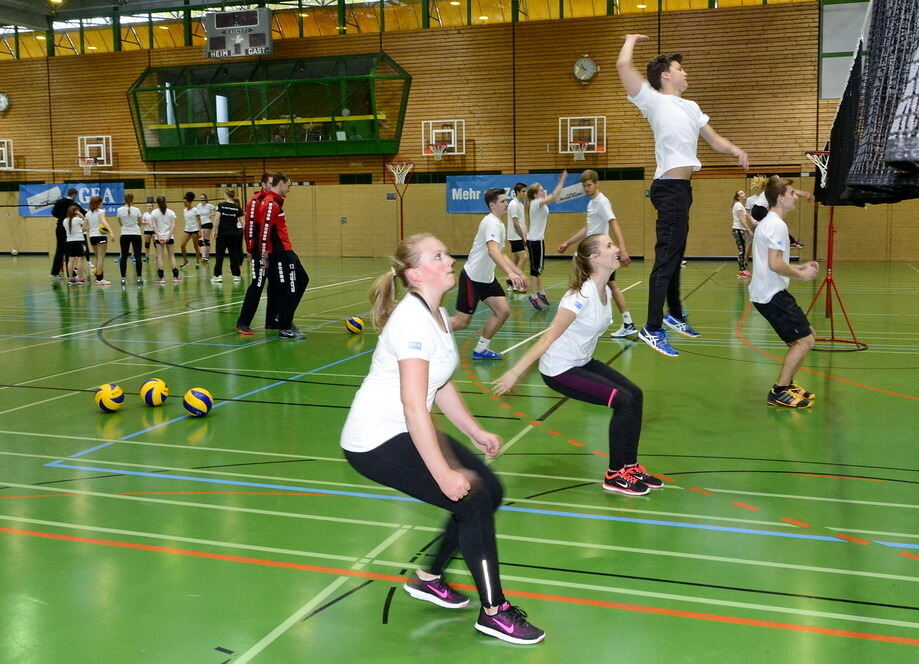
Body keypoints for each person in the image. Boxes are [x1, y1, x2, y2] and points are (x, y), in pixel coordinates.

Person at [340, 233, 545, 645]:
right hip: (375, 441)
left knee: (492, 488)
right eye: (439, 256)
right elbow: (416, 406)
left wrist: (475, 431)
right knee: (471, 500)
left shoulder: (433, 312)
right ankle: (495, 612)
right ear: (417, 273)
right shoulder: (412, 322)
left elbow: (442, 383)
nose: (449, 259)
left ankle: (429, 576)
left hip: (405, 429)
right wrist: (444, 474)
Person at [493, 234, 662, 495]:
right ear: (594, 258)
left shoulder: (604, 289)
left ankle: (630, 466)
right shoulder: (579, 297)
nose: (616, 248)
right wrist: (515, 371)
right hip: (559, 369)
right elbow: (548, 336)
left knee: (635, 395)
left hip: (581, 361)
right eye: (609, 246)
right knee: (623, 400)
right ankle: (615, 474)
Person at [617, 34, 749, 357]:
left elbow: (714, 141)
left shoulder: (691, 107)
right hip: (668, 189)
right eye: (680, 68)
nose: (685, 73)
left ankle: (674, 313)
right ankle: (652, 327)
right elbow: (622, 65)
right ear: (665, 75)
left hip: (683, 190)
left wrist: (735, 150)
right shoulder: (652, 99)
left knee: (676, 255)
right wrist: (631, 40)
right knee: (665, 259)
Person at [749, 176, 819, 408]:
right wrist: (802, 275)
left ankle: (787, 384)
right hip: (771, 295)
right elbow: (774, 264)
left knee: (805, 337)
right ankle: (779, 391)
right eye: (791, 194)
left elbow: (774, 263)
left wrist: (798, 267)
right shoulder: (777, 225)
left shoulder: (770, 222)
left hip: (770, 291)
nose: (795, 197)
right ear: (780, 198)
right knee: (804, 340)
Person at [558, 170, 638, 337]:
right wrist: (568, 242)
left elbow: (614, 223)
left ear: (596, 183)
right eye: (584, 186)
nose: (587, 189)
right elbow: (588, 228)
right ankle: (622, 321)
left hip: (600, 255)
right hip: (593, 253)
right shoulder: (592, 203)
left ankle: (618, 321)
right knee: (603, 285)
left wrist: (622, 250)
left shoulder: (602, 202)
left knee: (600, 284)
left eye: (589, 185)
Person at [450, 188, 527, 359]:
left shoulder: (498, 223)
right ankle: (425, 328)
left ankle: (480, 350)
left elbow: (501, 253)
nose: (506, 203)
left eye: (506, 200)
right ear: (492, 205)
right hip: (473, 278)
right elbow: (492, 250)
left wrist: (518, 272)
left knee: (503, 311)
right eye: (502, 201)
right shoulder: (491, 222)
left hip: (487, 279)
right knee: (461, 322)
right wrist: (509, 274)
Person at [259, 173, 309, 339]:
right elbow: (264, 230)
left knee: (302, 279)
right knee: (290, 287)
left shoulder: (275, 203)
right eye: (288, 185)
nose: (289, 189)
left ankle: (280, 318)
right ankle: (285, 326)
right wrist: (264, 254)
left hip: (287, 250)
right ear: (280, 183)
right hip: (280, 253)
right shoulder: (270, 203)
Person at [236, 173, 278, 335]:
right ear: (262, 184)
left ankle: (271, 320)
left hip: (272, 251)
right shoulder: (255, 201)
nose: (271, 185)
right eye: (269, 183)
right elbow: (250, 227)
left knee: (275, 285)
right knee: (257, 284)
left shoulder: (273, 201)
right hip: (258, 251)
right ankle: (243, 322)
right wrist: (252, 250)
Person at [524, 171, 567, 311]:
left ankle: (540, 292)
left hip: (537, 240)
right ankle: (533, 295)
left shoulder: (538, 203)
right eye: (541, 190)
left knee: (538, 269)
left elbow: (554, 197)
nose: (543, 191)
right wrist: (562, 181)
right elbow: (554, 196)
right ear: (535, 194)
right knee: (535, 270)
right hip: (535, 241)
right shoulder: (536, 203)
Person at [747, 175, 806, 248]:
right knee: (776, 224)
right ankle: (791, 241)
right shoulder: (772, 190)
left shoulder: (772, 190)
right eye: (778, 180)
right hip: (758, 210)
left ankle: (790, 241)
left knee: (773, 225)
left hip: (758, 210)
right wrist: (803, 194)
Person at [50, 188, 85, 279]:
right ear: (74, 195)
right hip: (70, 229)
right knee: (69, 252)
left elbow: (53, 213)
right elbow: (83, 213)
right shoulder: (73, 204)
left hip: (60, 227)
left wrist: (61, 218)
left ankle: (55, 272)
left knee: (59, 250)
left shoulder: (59, 202)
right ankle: (71, 274)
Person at [211, 189, 244, 284]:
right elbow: (243, 222)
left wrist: (215, 230)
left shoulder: (221, 205)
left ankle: (218, 276)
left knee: (220, 255)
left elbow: (217, 218)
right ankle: (236, 276)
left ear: (226, 195)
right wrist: (244, 233)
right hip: (234, 234)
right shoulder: (237, 208)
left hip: (222, 234)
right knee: (234, 254)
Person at [150, 196, 181, 285]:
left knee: (160, 257)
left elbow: (154, 226)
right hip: (169, 237)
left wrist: (159, 237)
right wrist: (168, 236)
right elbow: (173, 226)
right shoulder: (171, 213)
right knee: (172, 256)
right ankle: (175, 277)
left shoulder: (154, 213)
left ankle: (161, 278)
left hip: (159, 238)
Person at [116, 193, 144, 284]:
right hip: (136, 234)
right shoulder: (137, 210)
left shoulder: (119, 210)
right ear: (133, 199)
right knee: (138, 256)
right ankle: (139, 278)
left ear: (124, 199)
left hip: (124, 234)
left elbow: (120, 223)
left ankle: (123, 278)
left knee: (123, 256)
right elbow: (140, 223)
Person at [505, 182, 528, 291]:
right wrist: (523, 237)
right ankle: (517, 283)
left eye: (526, 191)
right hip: (515, 236)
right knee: (524, 257)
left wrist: (526, 234)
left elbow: (522, 222)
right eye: (523, 191)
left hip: (518, 236)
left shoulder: (520, 204)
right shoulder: (514, 204)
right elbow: (515, 223)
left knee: (515, 260)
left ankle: (510, 282)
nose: (525, 193)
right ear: (517, 192)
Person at [84, 195, 111, 286]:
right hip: (100, 236)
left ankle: (97, 273)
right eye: (101, 202)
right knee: (101, 258)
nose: (102, 204)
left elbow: (85, 227)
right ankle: (99, 279)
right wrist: (111, 232)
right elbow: (104, 222)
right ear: (98, 203)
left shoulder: (87, 213)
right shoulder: (101, 212)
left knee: (98, 257)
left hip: (92, 237)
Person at [731, 190, 753, 278]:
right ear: (738, 197)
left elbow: (746, 216)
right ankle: (741, 271)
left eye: (744, 192)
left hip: (740, 230)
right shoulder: (738, 205)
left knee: (742, 249)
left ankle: (743, 270)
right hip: (738, 229)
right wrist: (748, 230)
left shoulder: (740, 205)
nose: (744, 194)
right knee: (741, 250)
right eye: (741, 193)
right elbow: (741, 219)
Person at [63, 205, 86, 285]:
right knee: (79, 260)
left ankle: (70, 278)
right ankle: (81, 278)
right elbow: (86, 226)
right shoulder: (78, 219)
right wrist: (82, 215)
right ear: (76, 212)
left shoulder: (65, 220)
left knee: (70, 260)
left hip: (69, 242)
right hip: (78, 241)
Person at [179, 192, 202, 268]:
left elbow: (199, 220)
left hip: (195, 230)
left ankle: (197, 262)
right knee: (182, 245)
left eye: (185, 202)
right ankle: (186, 261)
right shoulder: (184, 210)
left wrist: (200, 230)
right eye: (183, 202)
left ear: (189, 202)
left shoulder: (195, 210)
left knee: (195, 246)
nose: (184, 204)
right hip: (187, 230)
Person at [196, 193, 216, 263]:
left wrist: (211, 214)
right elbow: (197, 214)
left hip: (207, 223)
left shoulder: (209, 205)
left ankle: (205, 256)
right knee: (201, 240)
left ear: (205, 198)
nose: (202, 199)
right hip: (201, 224)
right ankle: (205, 257)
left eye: (203, 198)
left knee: (205, 240)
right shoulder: (198, 205)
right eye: (200, 198)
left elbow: (217, 209)